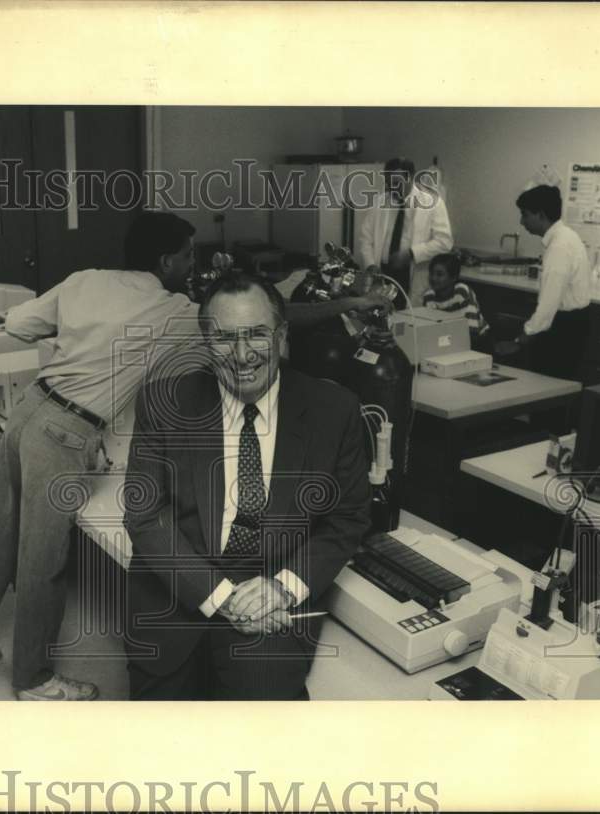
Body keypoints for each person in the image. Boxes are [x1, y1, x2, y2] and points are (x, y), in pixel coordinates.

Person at [0, 211, 391, 702]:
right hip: (68, 430)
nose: (242, 351)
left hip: (30, 407)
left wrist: (82, 344)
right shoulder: (175, 313)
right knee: (44, 559)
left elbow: (16, 323)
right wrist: (350, 302)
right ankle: (32, 678)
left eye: (257, 336)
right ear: (166, 262)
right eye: (187, 255)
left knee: (0, 531)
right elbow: (284, 312)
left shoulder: (83, 281)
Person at [123, 273, 372, 700]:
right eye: (223, 339)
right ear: (205, 341)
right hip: (179, 585)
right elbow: (145, 515)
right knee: (160, 739)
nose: (242, 355)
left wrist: (283, 587)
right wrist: (221, 597)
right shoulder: (162, 402)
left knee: (263, 734)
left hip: (271, 591)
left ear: (281, 334)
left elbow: (347, 519)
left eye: (257, 334)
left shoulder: (335, 411)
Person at [494, 184, 591, 383]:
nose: (521, 221)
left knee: (548, 391)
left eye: (525, 214)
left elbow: (548, 306)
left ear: (540, 215)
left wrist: (520, 341)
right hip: (572, 324)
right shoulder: (566, 236)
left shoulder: (559, 247)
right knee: (558, 391)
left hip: (564, 328)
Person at [356, 157, 453, 306]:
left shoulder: (433, 203)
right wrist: (370, 265)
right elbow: (365, 238)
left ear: (410, 177)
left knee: (409, 320)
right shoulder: (380, 201)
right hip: (382, 274)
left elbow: (444, 242)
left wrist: (411, 253)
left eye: (396, 183)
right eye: (388, 184)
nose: (392, 189)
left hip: (412, 275)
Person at [422, 252, 491, 351]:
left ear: (453, 277)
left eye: (439, 274)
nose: (433, 278)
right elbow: (429, 331)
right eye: (431, 273)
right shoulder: (428, 296)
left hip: (478, 343)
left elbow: (472, 333)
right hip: (449, 343)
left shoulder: (462, 292)